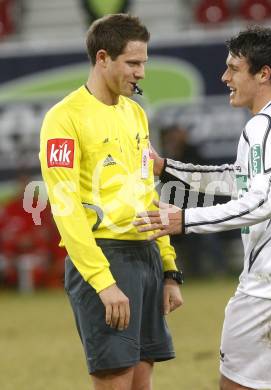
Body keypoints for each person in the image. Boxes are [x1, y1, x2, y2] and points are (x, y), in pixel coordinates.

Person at [135, 26, 271, 389]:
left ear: (263, 73)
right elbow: (239, 178)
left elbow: (260, 202)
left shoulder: (263, 126)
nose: (225, 77)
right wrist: (168, 167)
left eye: (234, 68)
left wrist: (184, 220)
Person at [39, 14, 183, 390]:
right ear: (103, 58)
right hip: (105, 257)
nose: (141, 73)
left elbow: (146, 190)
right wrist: (103, 282)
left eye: (144, 63)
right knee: (114, 381)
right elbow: (65, 207)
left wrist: (168, 268)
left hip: (146, 255)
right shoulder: (63, 119)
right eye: (133, 63)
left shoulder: (135, 112)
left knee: (141, 381)